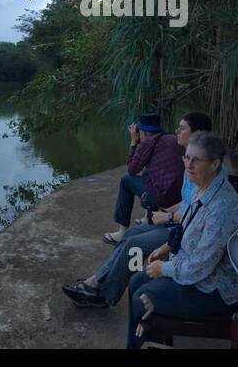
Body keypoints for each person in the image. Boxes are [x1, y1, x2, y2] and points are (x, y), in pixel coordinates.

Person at [63, 112, 216, 308]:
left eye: (182, 127)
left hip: (184, 232)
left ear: (199, 133)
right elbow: (190, 200)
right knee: (133, 234)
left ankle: (104, 293)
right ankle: (99, 281)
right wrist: (171, 209)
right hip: (177, 220)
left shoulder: (201, 166)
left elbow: (199, 212)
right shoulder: (189, 158)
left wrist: (168, 215)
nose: (177, 131)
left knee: (133, 245)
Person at [126, 131, 238, 348]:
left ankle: (146, 331)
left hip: (214, 291)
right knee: (136, 282)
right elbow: (187, 225)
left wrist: (165, 269)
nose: (188, 165)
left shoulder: (221, 208)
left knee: (141, 298)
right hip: (199, 275)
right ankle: (143, 332)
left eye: (196, 160)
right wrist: (167, 246)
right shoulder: (203, 188)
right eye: (186, 158)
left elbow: (200, 266)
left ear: (215, 164)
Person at [103, 112, 184, 244]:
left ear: (144, 132)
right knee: (148, 172)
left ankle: (122, 233)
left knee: (126, 181)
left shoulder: (147, 142)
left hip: (164, 198)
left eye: (139, 131)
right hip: (180, 198)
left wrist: (134, 142)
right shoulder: (172, 138)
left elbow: (132, 169)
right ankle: (147, 218)